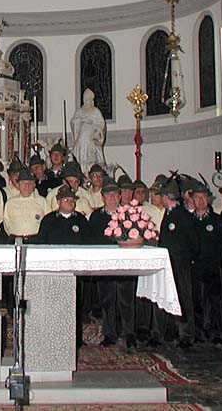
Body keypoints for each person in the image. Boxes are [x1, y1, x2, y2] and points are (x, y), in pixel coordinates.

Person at [86, 180, 137, 348]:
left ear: (120, 196)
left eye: (115, 195)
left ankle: (129, 333)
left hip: (125, 263)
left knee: (126, 299)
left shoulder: (128, 215)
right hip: (104, 263)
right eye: (108, 195)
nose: (112, 198)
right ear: (102, 198)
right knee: (107, 299)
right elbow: (91, 240)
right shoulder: (96, 217)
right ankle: (110, 334)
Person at [153, 180, 198, 348]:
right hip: (168, 262)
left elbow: (192, 241)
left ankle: (186, 334)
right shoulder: (169, 214)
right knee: (167, 296)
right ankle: (169, 331)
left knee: (183, 296)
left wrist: (186, 257)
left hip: (180, 262)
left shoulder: (182, 215)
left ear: (166, 197)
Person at [188, 180, 222, 345]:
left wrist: (216, 258)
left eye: (203, 197)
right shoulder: (188, 221)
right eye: (197, 197)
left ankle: (216, 332)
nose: (200, 200)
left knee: (215, 300)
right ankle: (198, 332)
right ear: (192, 200)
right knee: (196, 300)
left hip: (213, 266)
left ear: (209, 199)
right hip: (195, 266)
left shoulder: (217, 220)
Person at [2, 171, 45, 243]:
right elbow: (6, 223)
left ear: (34, 186)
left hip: (36, 240)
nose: (27, 186)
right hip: (15, 240)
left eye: (30, 183)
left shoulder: (43, 202)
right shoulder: (10, 203)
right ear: (18, 185)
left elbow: (47, 223)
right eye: (23, 183)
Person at [71, 88, 106, 174]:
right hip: (81, 140)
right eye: (84, 98)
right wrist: (82, 120)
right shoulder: (80, 111)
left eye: (87, 99)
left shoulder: (95, 111)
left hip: (90, 140)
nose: (86, 100)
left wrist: (95, 128)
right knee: (80, 159)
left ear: (91, 100)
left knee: (91, 160)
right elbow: (73, 122)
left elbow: (101, 124)